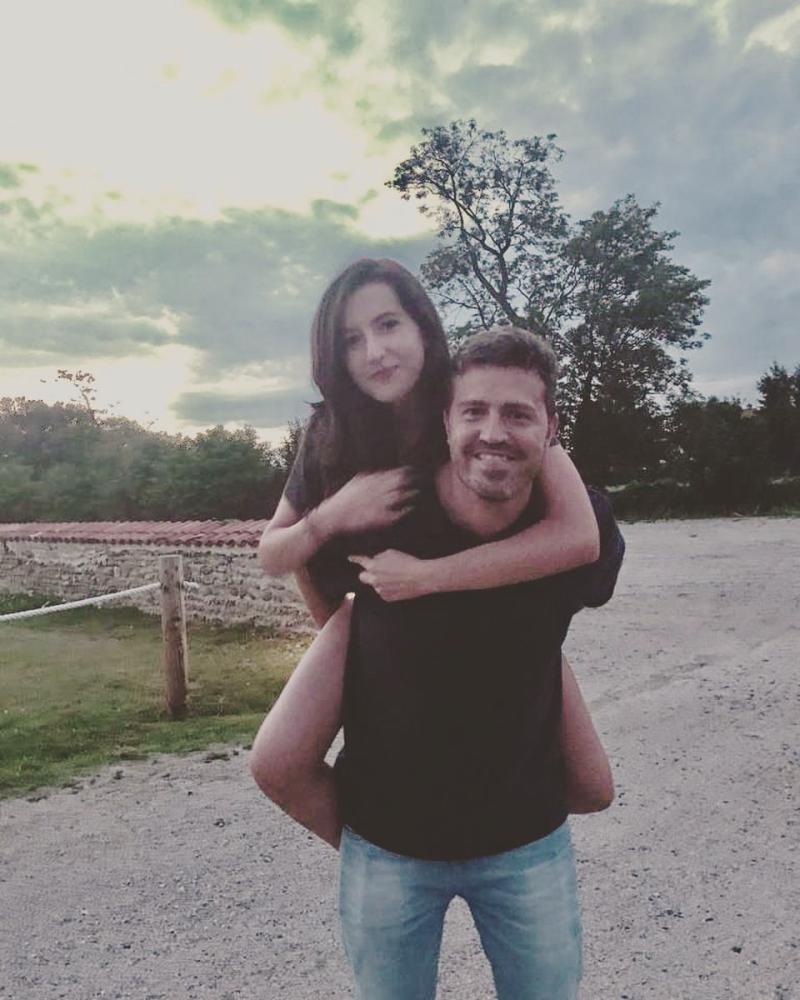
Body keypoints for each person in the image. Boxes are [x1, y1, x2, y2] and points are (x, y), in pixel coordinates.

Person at [265, 325, 624, 999]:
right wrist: (352, 640)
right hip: (387, 846)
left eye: (518, 414)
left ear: (552, 430)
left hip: (527, 842)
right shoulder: (390, 510)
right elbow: (302, 561)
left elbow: (559, 618)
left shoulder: (583, 531)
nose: (493, 432)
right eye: (474, 411)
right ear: (445, 421)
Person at [251, 259, 614, 853]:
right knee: (277, 760)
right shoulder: (331, 433)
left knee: (594, 788)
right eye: (351, 339)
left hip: (501, 609)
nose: (375, 352)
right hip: (380, 614)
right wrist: (332, 515)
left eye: (388, 325)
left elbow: (579, 535)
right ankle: (382, 858)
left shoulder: (473, 398)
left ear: (423, 325)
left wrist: (429, 577)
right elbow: (274, 552)